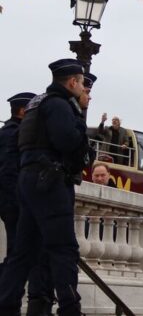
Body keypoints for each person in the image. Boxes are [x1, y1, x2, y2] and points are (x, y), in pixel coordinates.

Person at [0, 59, 90, 316]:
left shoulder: (36, 104)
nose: (83, 89)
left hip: (29, 181)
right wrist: (80, 126)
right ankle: (70, 307)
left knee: (23, 250)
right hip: (50, 181)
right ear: (72, 82)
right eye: (82, 83)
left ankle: (6, 305)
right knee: (64, 249)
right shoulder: (60, 105)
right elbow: (67, 140)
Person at [0, 92, 36, 268]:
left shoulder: (7, 131)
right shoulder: (15, 133)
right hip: (13, 199)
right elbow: (9, 169)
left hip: (11, 198)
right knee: (17, 251)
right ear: (23, 111)